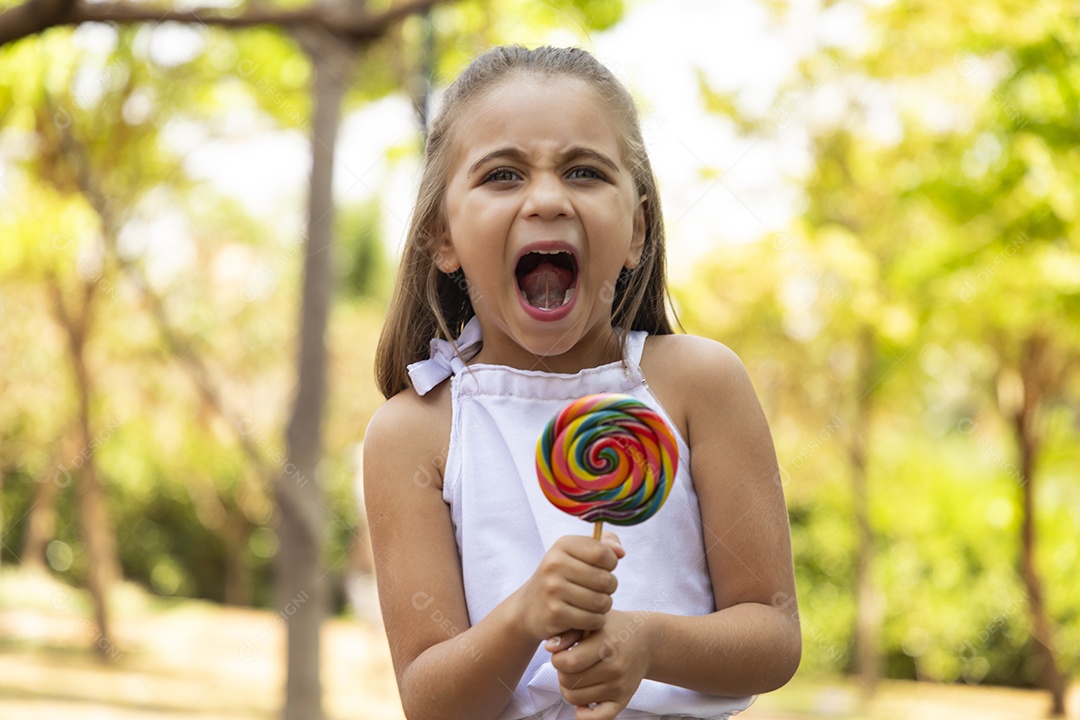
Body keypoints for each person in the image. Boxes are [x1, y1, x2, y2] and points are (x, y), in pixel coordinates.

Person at [363, 45, 800, 720]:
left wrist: (647, 641)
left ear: (637, 231)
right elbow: (429, 700)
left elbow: (773, 637)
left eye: (585, 172)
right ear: (441, 235)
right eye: (503, 174)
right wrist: (523, 618)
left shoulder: (698, 384)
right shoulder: (413, 431)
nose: (546, 199)